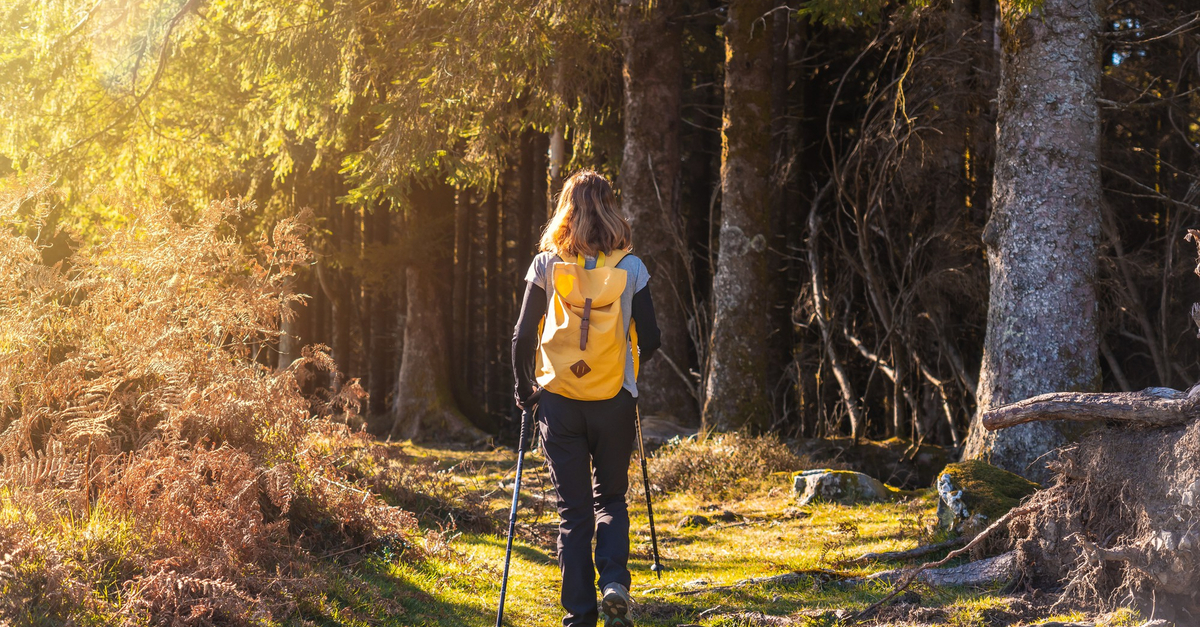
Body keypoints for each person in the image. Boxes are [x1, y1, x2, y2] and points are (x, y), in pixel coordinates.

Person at [511, 170, 661, 627]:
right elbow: (652, 338)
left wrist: (524, 389)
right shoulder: (631, 267)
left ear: (566, 210)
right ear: (610, 208)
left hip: (557, 398)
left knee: (574, 511)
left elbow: (521, 337)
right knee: (611, 498)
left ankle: (580, 616)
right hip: (615, 398)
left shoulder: (546, 264)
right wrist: (628, 367)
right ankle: (614, 582)